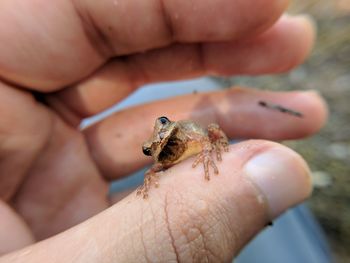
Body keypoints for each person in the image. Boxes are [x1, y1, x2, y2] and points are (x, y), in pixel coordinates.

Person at [0, 0, 328, 262]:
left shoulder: (184, 132)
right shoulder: (160, 160)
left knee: (198, 97)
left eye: (162, 127)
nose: (158, 139)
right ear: (152, 152)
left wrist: (216, 147)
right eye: (150, 147)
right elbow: (153, 170)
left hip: (203, 144)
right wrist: (151, 181)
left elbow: (212, 128)